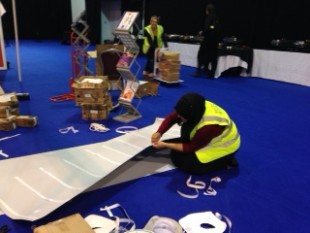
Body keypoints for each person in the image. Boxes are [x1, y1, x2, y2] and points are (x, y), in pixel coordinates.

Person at [151, 92, 240, 174]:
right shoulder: (196, 106)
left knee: (188, 165)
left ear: (190, 116)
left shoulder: (208, 126)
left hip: (224, 146)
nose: (178, 116)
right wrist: (159, 132)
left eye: (181, 115)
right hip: (208, 138)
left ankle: (226, 159)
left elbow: (191, 147)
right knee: (176, 152)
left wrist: (166, 145)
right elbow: (172, 117)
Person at [192, 4, 221, 78]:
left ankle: (198, 72)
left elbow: (208, 28)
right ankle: (212, 74)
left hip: (208, 40)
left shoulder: (208, 18)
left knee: (200, 55)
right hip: (215, 41)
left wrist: (202, 33)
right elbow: (215, 29)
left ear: (207, 10)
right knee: (213, 57)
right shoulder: (217, 18)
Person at [142, 15, 166, 80]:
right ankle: (150, 71)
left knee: (155, 59)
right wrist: (156, 49)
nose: (154, 23)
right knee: (151, 58)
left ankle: (151, 71)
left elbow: (163, 37)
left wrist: (166, 45)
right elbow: (150, 41)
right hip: (149, 46)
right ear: (150, 22)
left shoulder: (160, 28)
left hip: (157, 45)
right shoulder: (146, 29)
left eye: (155, 22)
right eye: (153, 21)